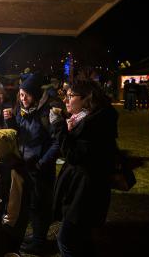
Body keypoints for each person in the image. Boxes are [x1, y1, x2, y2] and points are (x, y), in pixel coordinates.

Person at [49, 80, 118, 257]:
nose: (65, 100)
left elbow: (73, 155)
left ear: (87, 98)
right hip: (82, 187)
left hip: (85, 190)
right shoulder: (87, 119)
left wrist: (58, 126)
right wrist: (68, 129)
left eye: (70, 96)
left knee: (65, 240)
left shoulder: (94, 124)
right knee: (82, 238)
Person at [4, 73, 61, 254]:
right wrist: (10, 121)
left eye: (27, 94)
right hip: (26, 166)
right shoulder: (23, 111)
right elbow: (19, 134)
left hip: (41, 168)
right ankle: (37, 236)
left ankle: (39, 242)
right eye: (21, 94)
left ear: (35, 94)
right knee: (31, 203)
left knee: (41, 205)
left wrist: (42, 163)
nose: (23, 98)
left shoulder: (47, 112)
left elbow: (57, 142)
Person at [0, 129, 30, 253]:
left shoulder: (13, 172)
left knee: (8, 250)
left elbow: (14, 206)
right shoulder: (5, 166)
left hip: (9, 229)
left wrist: (4, 227)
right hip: (4, 224)